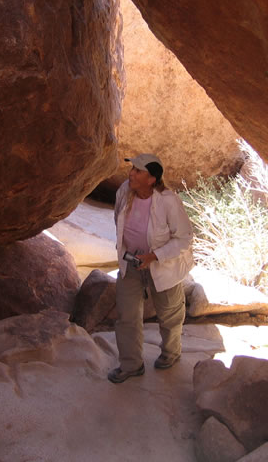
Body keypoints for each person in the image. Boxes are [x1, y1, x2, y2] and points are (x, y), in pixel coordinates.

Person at [107, 153, 194, 384]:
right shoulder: (124, 191)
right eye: (132, 169)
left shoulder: (168, 201)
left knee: (170, 315)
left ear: (152, 179)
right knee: (127, 316)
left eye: (138, 171)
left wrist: (154, 256)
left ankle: (170, 354)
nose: (131, 174)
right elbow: (119, 221)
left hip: (163, 267)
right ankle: (131, 365)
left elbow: (184, 238)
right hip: (132, 264)